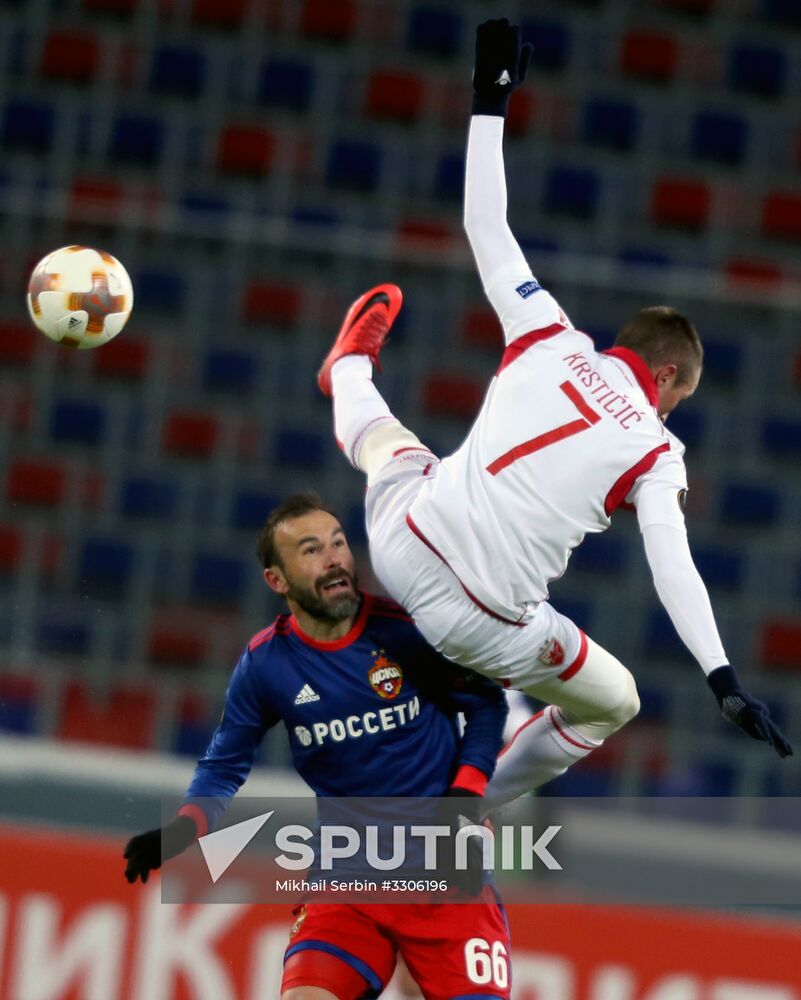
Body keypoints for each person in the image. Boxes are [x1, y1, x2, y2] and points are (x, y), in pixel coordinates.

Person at [316, 18, 791, 810]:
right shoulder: (655, 450)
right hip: (483, 620)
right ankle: (459, 809)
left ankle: (350, 370)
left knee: (395, 452)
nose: (673, 410)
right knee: (612, 701)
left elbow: (484, 225)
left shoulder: (547, 332)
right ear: (666, 374)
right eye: (678, 396)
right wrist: (721, 675)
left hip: (399, 542)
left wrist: (488, 101)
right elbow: (673, 568)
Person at [124, 493, 512, 1000]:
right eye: (311, 550)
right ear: (276, 580)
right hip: (348, 880)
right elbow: (224, 765)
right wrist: (184, 830)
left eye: (338, 543)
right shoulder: (266, 666)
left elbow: (486, 704)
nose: (333, 559)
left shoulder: (407, 634)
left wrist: (464, 795)